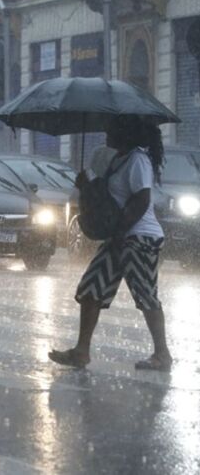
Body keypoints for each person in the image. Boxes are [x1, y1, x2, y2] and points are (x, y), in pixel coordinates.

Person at [50, 118, 172, 372]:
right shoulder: (118, 159)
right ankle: (81, 351)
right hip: (119, 237)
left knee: (145, 294)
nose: (107, 132)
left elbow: (142, 200)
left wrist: (120, 232)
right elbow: (109, 197)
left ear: (126, 132)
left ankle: (162, 354)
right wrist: (86, 186)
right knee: (91, 288)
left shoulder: (138, 160)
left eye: (113, 128)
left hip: (139, 238)